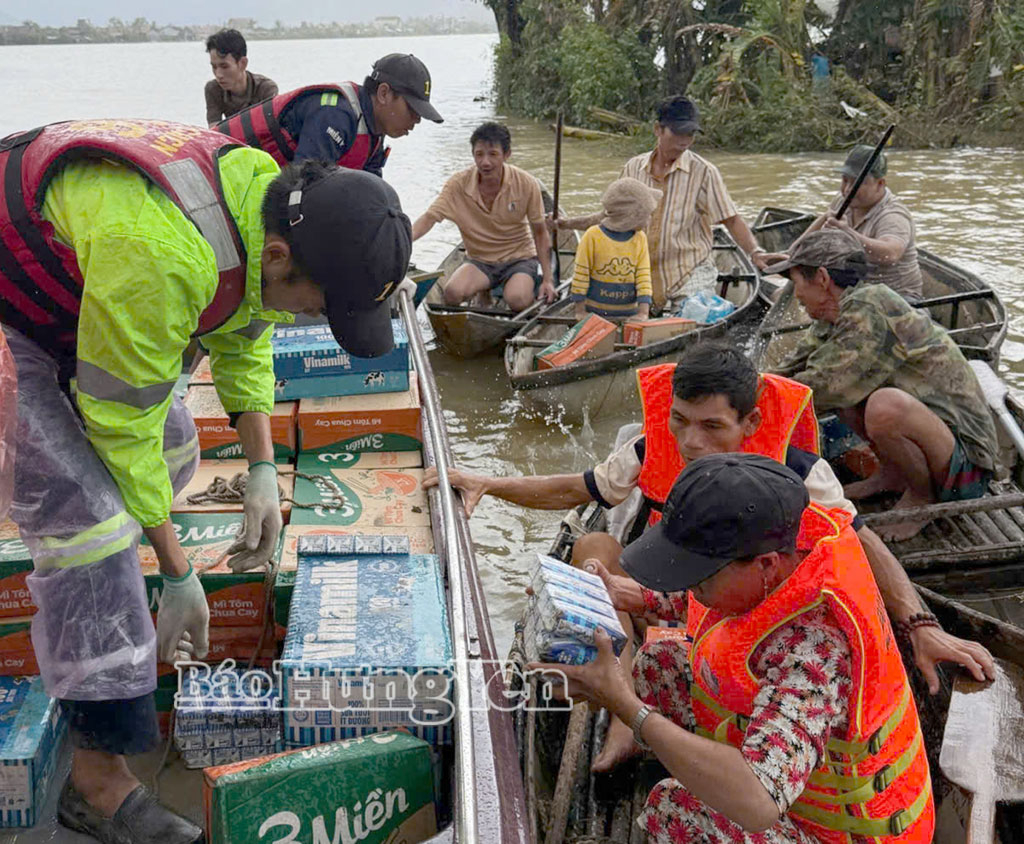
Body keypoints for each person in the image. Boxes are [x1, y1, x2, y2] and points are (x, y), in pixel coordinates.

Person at [0, 118, 411, 843]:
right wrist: (178, 568)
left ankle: (101, 606)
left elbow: (247, 333)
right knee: (88, 520)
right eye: (316, 306)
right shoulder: (162, 254)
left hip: (82, 289)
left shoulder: (261, 197)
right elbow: (121, 428)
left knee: (180, 445)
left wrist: (260, 471)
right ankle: (95, 786)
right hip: (13, 309)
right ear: (282, 255)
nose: (310, 319)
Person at [424, 340, 994, 767]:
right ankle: (621, 706)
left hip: (743, 610)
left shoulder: (797, 472)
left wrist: (919, 623)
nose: (691, 442)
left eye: (712, 426)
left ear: (749, 423)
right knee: (595, 544)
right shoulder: (652, 447)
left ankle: (641, 709)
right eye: (680, 421)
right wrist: (488, 484)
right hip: (672, 590)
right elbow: (577, 487)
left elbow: (859, 540)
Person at [532, 453, 935, 843]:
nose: (692, 588)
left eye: (698, 577)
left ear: (765, 564)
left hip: (840, 831)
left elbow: (758, 802)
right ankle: (690, 758)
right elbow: (706, 600)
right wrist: (631, 594)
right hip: (799, 769)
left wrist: (628, 709)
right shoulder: (788, 552)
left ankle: (686, 765)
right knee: (658, 662)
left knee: (673, 808)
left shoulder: (812, 647)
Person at [767, 229, 999, 540]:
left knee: (883, 405)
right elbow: (789, 371)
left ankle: (921, 497)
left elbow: (824, 386)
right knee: (855, 399)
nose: (796, 295)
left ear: (822, 279)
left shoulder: (870, 307)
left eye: (797, 283)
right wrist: (750, 388)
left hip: (966, 470)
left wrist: (758, 408)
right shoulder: (833, 316)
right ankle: (891, 475)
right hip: (937, 442)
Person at [551, 96, 770, 312]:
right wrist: (566, 224)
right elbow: (610, 217)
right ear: (658, 129)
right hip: (637, 273)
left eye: (691, 134)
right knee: (605, 317)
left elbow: (731, 219)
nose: (684, 141)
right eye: (678, 132)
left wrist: (755, 252)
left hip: (687, 272)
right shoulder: (633, 168)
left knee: (692, 321)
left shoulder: (704, 172)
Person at [214, 53, 442, 176]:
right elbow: (301, 189)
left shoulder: (375, 134)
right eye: (412, 109)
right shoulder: (335, 115)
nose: (417, 120)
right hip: (214, 164)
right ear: (383, 93)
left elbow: (371, 192)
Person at [411, 122, 557, 311]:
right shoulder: (458, 184)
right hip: (480, 261)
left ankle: (524, 296)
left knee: (518, 299)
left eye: (493, 154)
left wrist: (547, 279)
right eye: (479, 154)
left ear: (506, 155)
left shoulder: (526, 183)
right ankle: (484, 291)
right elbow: (429, 219)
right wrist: (403, 241)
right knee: (452, 293)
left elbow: (540, 232)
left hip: (519, 258)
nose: (485, 162)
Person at [767, 145, 923, 299]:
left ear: (880, 184)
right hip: (853, 291)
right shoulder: (843, 200)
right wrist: (791, 255)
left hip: (896, 298)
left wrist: (847, 232)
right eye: (845, 180)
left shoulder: (892, 215)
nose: (848, 189)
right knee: (783, 292)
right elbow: (814, 232)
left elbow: (891, 254)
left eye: (856, 183)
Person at [570, 177, 658, 321]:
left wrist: (643, 312)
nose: (649, 219)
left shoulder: (640, 238)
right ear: (632, 217)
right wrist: (580, 311)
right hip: (594, 311)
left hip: (629, 312)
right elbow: (581, 273)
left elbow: (643, 276)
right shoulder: (592, 235)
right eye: (646, 215)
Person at [204, 28, 279, 125]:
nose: (218, 75)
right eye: (214, 67)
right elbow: (214, 129)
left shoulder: (266, 88)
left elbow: (268, 128)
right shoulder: (213, 89)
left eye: (224, 66)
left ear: (242, 63)